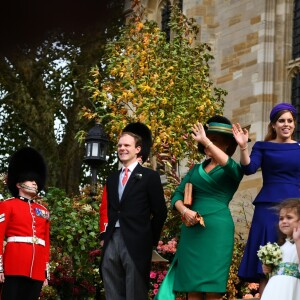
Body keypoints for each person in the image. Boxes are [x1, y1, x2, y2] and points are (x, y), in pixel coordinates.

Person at [155, 116, 244, 300]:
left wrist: (205, 140)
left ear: (228, 145)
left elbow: (229, 166)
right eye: (208, 140)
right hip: (192, 231)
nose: (209, 144)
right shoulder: (196, 169)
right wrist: (185, 211)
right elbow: (177, 196)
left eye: (215, 141)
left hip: (217, 233)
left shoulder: (234, 168)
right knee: (192, 288)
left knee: (213, 289)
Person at [232, 102, 300, 292]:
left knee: (294, 256)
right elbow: (249, 168)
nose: (286, 124)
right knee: (266, 263)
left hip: (296, 208)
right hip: (267, 208)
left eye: (290, 121)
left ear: (294, 124)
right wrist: (244, 147)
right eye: (281, 121)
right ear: (273, 125)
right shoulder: (263, 146)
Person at [100, 122, 167, 300]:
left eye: (127, 145)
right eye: (120, 145)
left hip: (137, 241)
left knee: (135, 292)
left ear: (138, 149)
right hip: (112, 238)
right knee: (112, 290)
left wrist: (148, 240)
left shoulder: (150, 177)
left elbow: (160, 212)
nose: (122, 148)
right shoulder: (112, 178)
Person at [0, 147, 50, 300]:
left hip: (36, 270)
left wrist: (45, 273)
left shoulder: (43, 211)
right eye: (30, 179)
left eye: (36, 180)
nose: (35, 183)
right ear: (18, 184)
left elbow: (46, 243)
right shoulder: (7, 205)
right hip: (13, 266)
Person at [260, 198, 300, 300]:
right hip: (275, 288)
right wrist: (268, 268)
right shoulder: (280, 246)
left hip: (291, 288)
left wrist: (297, 240)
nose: (284, 221)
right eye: (281, 218)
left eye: (289, 217)